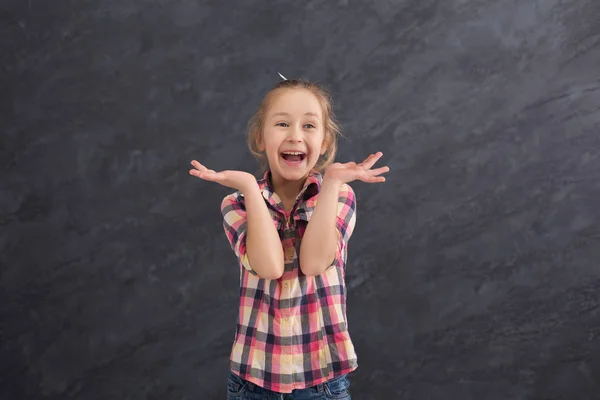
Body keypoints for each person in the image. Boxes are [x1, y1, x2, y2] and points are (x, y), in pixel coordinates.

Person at [189, 77, 389, 399]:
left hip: (321, 383)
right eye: (282, 123)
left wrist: (334, 181)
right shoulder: (237, 203)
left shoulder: (339, 197)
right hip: (253, 383)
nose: (295, 135)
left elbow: (313, 262)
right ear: (260, 138)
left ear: (324, 143)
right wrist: (251, 190)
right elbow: (269, 267)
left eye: (309, 126)